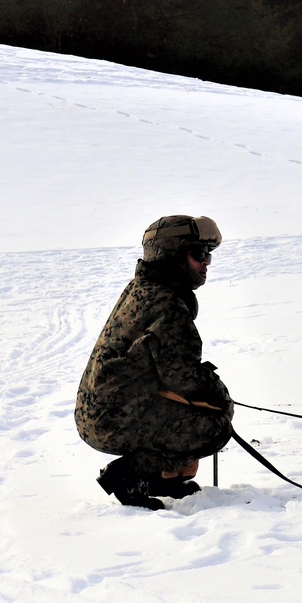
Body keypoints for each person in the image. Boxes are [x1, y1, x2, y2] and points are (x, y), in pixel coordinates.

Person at [75, 215, 234, 510]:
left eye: (208, 254)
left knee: (199, 412)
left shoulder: (142, 289)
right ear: (173, 255)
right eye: (199, 254)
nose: (207, 262)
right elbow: (183, 378)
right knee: (215, 425)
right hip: (113, 420)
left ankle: (159, 479)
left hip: (101, 414)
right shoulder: (167, 304)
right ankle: (129, 476)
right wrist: (221, 396)